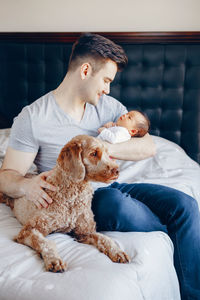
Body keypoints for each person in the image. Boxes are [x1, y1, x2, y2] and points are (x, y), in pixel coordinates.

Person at [0, 33, 199, 300]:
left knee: (186, 205)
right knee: (116, 203)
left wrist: (102, 151)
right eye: (106, 80)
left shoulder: (107, 107)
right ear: (85, 70)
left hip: (115, 183)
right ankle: (175, 235)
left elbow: (148, 147)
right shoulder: (34, 117)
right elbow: (7, 177)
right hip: (76, 197)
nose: (107, 89)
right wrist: (26, 185)